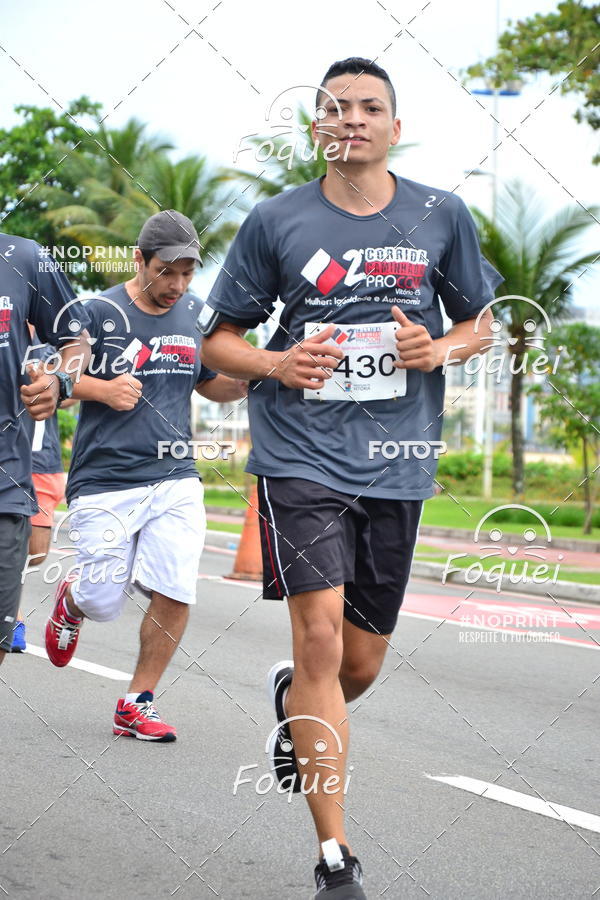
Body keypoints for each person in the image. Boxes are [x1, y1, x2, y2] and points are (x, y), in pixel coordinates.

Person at [200, 58, 501, 898]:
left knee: (358, 664)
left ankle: (296, 703)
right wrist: (276, 361)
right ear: (318, 128)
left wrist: (437, 348)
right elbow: (216, 344)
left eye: (372, 107)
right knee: (323, 639)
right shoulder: (276, 220)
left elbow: (481, 324)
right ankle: (337, 860)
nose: (355, 119)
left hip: (398, 463)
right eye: (339, 108)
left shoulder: (442, 216)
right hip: (299, 455)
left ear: (394, 127)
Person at [43, 210, 246, 742]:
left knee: (176, 587)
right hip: (105, 481)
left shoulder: (195, 315)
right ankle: (73, 599)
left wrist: (256, 378)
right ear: (140, 259)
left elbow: (211, 384)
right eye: (166, 271)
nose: (177, 285)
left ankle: (137, 702)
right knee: (103, 601)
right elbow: (57, 376)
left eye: (186, 273)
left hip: (175, 475)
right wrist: (102, 390)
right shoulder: (98, 311)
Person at [0, 233, 90, 666]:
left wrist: (60, 382)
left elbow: (77, 342)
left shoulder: (25, 258)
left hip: (13, 471)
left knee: (35, 554)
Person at [10, 339, 77, 653]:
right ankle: (13, 618)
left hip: (44, 461)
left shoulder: (54, 347)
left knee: (36, 553)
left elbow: (71, 395)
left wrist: (54, 385)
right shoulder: (6, 340)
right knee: (7, 544)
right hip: (9, 456)